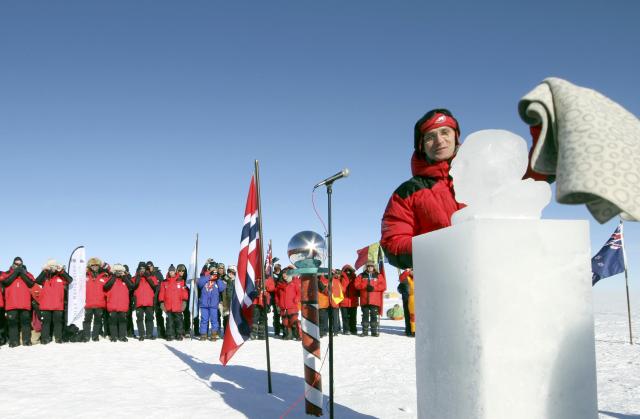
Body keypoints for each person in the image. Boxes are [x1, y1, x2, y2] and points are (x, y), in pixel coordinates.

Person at [381, 109, 464, 269]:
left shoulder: (483, 173)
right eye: (430, 137)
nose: (439, 141)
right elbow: (392, 243)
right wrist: (437, 247)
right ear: (421, 146)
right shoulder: (406, 192)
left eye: (445, 132)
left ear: (455, 136)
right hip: (442, 282)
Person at [0, 257, 36, 347]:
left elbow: (31, 283)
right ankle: (14, 342)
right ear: (13, 263)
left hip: (25, 304)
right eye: (16, 264)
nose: (18, 265)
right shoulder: (7, 273)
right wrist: (16, 272)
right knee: (12, 324)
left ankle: (26, 341)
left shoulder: (27, 274)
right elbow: (6, 282)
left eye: (20, 264)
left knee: (26, 323)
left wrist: (22, 272)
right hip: (11, 304)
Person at [36, 259, 73, 344]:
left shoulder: (61, 277)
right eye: (50, 266)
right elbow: (37, 281)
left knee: (58, 323)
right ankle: (45, 339)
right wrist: (45, 270)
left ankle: (58, 338)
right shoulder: (44, 277)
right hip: (45, 305)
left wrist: (61, 271)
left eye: (54, 266)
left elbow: (70, 280)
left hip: (58, 305)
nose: (52, 268)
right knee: (45, 323)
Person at [354, 260, 386, 337]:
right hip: (364, 300)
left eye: (371, 266)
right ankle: (365, 332)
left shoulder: (379, 275)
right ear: (366, 267)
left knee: (374, 316)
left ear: (374, 267)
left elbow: (383, 286)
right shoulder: (361, 275)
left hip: (375, 300)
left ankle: (374, 332)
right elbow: (356, 285)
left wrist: (374, 288)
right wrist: (365, 287)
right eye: (368, 266)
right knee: (365, 316)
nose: (370, 267)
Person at [103, 263, 134, 342]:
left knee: (122, 321)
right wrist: (113, 276)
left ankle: (122, 336)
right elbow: (106, 287)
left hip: (123, 305)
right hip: (112, 304)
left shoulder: (126, 280)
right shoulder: (111, 279)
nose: (118, 273)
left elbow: (131, 286)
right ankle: (113, 336)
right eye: (117, 271)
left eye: (120, 271)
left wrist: (124, 276)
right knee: (112, 321)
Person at [159, 264, 188, 341]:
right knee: (169, 322)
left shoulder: (181, 281)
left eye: (172, 271)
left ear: (175, 271)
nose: (171, 273)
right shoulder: (164, 282)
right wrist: (161, 302)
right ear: (168, 272)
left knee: (179, 321)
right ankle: (170, 334)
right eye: (170, 271)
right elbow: (162, 293)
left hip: (178, 305)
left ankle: (179, 334)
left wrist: (184, 301)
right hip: (168, 306)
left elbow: (184, 292)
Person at [83, 257, 109, 342]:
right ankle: (86, 336)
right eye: (92, 265)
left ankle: (95, 336)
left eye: (96, 265)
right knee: (87, 321)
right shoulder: (85, 276)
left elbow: (107, 289)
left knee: (97, 321)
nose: (94, 266)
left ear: (99, 266)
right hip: (88, 303)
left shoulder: (104, 276)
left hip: (99, 303)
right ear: (90, 266)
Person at [197, 267, 226, 341]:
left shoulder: (217, 281)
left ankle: (214, 334)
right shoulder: (204, 278)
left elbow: (222, 288)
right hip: (204, 304)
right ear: (209, 270)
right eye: (212, 270)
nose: (213, 272)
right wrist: (209, 276)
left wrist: (218, 279)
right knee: (204, 319)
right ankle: (203, 334)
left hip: (213, 304)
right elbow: (199, 284)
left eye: (215, 270)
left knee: (214, 320)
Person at [132, 262, 157, 340]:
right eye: (141, 269)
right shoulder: (134, 278)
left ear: (146, 269)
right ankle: (142, 334)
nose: (142, 270)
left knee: (150, 318)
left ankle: (149, 334)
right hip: (139, 302)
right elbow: (132, 287)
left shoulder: (152, 277)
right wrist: (138, 278)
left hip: (149, 302)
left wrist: (148, 277)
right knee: (139, 319)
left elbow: (155, 287)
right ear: (138, 269)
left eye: (144, 269)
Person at [318, 269, 343, 337]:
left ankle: (335, 331)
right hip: (325, 302)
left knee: (335, 318)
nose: (330, 275)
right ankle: (324, 331)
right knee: (324, 318)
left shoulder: (336, 281)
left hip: (334, 301)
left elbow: (341, 290)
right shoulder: (321, 280)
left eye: (331, 273)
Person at [146, 261, 165, 339]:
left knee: (159, 316)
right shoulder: (146, 274)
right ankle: (149, 333)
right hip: (149, 299)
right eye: (148, 266)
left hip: (157, 298)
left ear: (153, 266)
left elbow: (162, 283)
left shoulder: (158, 273)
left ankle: (161, 333)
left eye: (150, 266)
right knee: (149, 317)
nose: (149, 267)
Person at [339, 264, 359, 335]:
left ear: (352, 271)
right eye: (346, 270)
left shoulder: (355, 278)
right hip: (343, 300)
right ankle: (346, 330)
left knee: (353, 316)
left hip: (353, 300)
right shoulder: (340, 278)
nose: (348, 271)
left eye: (349, 270)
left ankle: (353, 329)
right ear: (343, 271)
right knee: (345, 317)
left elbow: (358, 287)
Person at [398, 268, 415, 336]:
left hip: (417, 299)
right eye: (412, 271)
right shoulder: (406, 277)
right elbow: (401, 278)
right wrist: (406, 271)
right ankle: (409, 330)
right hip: (407, 298)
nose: (413, 272)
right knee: (408, 315)